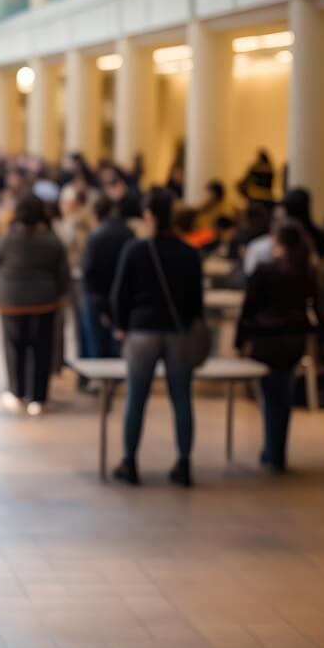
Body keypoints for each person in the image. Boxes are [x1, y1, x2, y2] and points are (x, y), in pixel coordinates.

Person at [110, 189, 204, 487]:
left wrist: (120, 326)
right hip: (177, 332)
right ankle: (184, 463)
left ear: (149, 216)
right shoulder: (189, 253)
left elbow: (119, 293)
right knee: (181, 399)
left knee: (136, 398)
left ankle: (130, 462)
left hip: (142, 330)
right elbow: (196, 301)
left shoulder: (135, 250)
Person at [237, 222, 324, 473]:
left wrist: (240, 339)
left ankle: (273, 451)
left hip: (268, 338)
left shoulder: (264, 270)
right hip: (295, 339)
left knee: (271, 394)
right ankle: (275, 449)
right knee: (282, 392)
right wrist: (322, 338)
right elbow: (319, 307)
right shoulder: (307, 271)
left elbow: (249, 308)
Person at [0, 195, 69, 416]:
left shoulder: (7, 238)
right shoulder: (51, 239)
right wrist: (60, 294)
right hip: (45, 303)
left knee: (14, 348)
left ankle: (16, 392)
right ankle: (38, 399)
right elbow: (63, 271)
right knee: (42, 351)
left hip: (11, 302)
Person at [80, 197, 133, 359]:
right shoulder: (128, 233)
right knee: (116, 344)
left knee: (95, 343)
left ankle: (97, 381)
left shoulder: (95, 236)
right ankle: (115, 380)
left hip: (97, 297)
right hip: (122, 296)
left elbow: (88, 271)